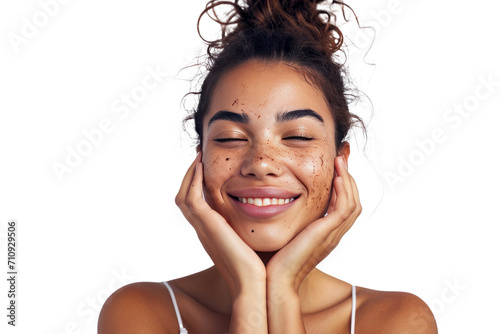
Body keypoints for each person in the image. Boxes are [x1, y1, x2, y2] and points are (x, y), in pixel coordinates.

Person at [98, 0, 438, 333]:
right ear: (199, 157)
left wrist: (282, 289)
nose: (261, 164)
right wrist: (249, 292)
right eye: (230, 138)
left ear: (341, 162)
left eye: (299, 136)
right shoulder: (139, 311)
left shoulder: (397, 320)